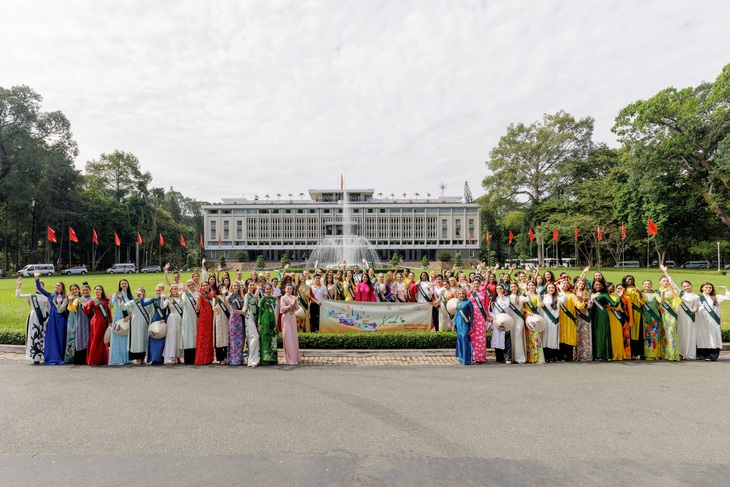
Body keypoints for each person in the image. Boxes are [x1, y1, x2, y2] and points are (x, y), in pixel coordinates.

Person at [34, 270, 68, 365]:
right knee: (52, 337)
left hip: (61, 319)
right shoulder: (50, 295)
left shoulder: (64, 297)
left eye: (59, 286)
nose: (56, 287)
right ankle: (52, 356)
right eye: (56, 285)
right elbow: (40, 289)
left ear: (62, 289)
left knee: (60, 337)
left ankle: (61, 356)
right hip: (52, 318)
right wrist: (37, 278)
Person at [16, 275, 49, 363]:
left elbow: (49, 309)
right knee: (33, 334)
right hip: (34, 317)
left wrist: (48, 318)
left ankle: (43, 355)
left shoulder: (46, 297)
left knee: (42, 335)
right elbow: (18, 295)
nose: (38, 287)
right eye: (36, 285)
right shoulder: (31, 296)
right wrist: (19, 286)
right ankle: (35, 357)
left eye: (40, 285)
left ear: (43, 287)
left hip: (43, 318)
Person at [696, 282, 730, 361]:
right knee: (702, 336)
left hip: (713, 321)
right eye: (706, 287)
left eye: (710, 288)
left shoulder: (716, 297)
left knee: (713, 336)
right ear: (702, 288)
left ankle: (712, 355)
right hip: (702, 321)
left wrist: (726, 289)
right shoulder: (698, 297)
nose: (708, 289)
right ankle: (701, 354)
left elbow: (728, 297)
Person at [120, 287, 153, 365]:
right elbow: (123, 307)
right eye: (138, 291)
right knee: (136, 341)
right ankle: (137, 358)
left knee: (143, 339)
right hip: (135, 323)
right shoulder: (134, 301)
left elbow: (152, 312)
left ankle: (142, 357)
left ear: (144, 292)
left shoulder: (148, 301)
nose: (140, 293)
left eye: (141, 291)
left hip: (144, 322)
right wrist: (121, 299)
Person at [589, 280, 619, 361]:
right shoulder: (590, 293)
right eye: (596, 284)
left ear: (602, 286)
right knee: (594, 335)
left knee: (601, 335)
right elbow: (589, 306)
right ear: (593, 285)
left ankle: (602, 355)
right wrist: (592, 299)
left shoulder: (604, 294)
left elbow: (614, 304)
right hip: (593, 315)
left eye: (599, 284)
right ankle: (595, 355)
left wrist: (619, 297)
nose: (598, 286)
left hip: (602, 316)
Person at [556, 279, 585, 362]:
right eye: (563, 283)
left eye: (567, 284)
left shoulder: (572, 295)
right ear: (559, 285)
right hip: (559, 319)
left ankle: (568, 355)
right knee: (560, 336)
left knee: (569, 336)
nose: (565, 285)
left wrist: (582, 300)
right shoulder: (556, 295)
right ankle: (560, 355)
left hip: (569, 319)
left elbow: (579, 306)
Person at [83, 284, 111, 366]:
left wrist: (110, 321)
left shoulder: (105, 300)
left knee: (104, 340)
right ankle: (93, 360)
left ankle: (102, 358)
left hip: (104, 322)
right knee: (96, 339)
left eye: (100, 289)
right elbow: (88, 312)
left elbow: (108, 311)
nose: (98, 291)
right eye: (97, 289)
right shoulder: (92, 300)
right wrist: (85, 306)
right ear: (94, 291)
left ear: (102, 291)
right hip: (96, 322)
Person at [140, 283, 168, 365]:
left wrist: (165, 319)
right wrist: (141, 296)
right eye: (156, 291)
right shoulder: (154, 299)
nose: (158, 292)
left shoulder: (166, 300)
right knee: (153, 340)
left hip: (161, 321)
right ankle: (153, 359)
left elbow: (169, 312)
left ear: (163, 291)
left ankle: (159, 359)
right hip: (154, 321)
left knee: (161, 341)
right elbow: (143, 304)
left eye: (159, 290)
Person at [67, 283, 92, 365]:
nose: (85, 291)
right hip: (80, 321)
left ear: (90, 291)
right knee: (80, 340)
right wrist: (70, 300)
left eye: (87, 290)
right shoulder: (78, 300)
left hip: (90, 322)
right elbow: (71, 308)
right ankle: (81, 359)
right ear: (81, 291)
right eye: (83, 290)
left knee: (90, 339)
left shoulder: (93, 299)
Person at [109, 279, 132, 365]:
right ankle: (117, 359)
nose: (124, 285)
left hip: (127, 318)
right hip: (118, 317)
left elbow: (134, 308)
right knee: (117, 337)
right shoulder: (117, 294)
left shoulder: (131, 295)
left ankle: (127, 359)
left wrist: (129, 316)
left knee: (126, 338)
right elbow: (111, 306)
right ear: (120, 285)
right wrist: (110, 299)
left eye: (125, 283)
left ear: (128, 284)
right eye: (122, 284)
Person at [622, 275, 644, 360]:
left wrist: (639, 292)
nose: (630, 280)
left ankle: (637, 352)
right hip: (627, 311)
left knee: (637, 332)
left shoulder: (636, 288)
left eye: (631, 279)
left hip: (637, 312)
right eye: (628, 279)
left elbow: (642, 301)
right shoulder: (622, 288)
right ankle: (627, 352)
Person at [468, 274, 489, 363]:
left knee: (480, 336)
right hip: (472, 315)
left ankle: (480, 356)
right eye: (474, 284)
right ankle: (472, 355)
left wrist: (487, 315)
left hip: (481, 315)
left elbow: (485, 304)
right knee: (472, 334)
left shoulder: (483, 293)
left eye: (477, 284)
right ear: (472, 285)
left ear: (480, 284)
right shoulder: (469, 293)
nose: (476, 285)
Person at [676, 279, 699, 360]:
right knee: (680, 333)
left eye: (688, 286)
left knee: (689, 335)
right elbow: (672, 284)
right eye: (684, 286)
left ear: (691, 285)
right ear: (682, 287)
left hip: (689, 317)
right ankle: (679, 352)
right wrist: (666, 272)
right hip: (680, 316)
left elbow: (695, 306)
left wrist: (695, 309)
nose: (686, 287)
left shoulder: (696, 296)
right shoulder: (680, 293)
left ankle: (687, 353)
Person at [640, 280, 663, 361]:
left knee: (655, 336)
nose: (647, 285)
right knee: (647, 336)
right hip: (645, 317)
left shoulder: (654, 294)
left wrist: (662, 295)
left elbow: (660, 301)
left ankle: (655, 354)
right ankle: (647, 354)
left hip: (654, 317)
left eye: (649, 284)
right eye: (645, 284)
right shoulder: (640, 294)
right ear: (642, 285)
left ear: (651, 285)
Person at [507, 282, 529, 364]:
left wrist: (525, 291)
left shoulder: (521, 297)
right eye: (511, 287)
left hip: (519, 319)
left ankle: (520, 357)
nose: (513, 288)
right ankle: (512, 356)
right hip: (510, 319)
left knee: (517, 336)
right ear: (509, 288)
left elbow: (528, 299)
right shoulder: (507, 298)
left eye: (514, 286)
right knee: (511, 337)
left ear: (517, 288)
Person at [280, 283, 301, 365]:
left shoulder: (293, 297)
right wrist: (290, 305)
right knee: (288, 337)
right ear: (285, 289)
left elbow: (297, 308)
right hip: (286, 318)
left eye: (290, 289)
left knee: (293, 337)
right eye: (288, 289)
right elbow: (281, 310)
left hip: (292, 318)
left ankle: (295, 357)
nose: (289, 290)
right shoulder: (283, 298)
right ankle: (289, 358)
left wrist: (296, 302)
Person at [194, 282, 215, 365]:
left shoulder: (211, 295)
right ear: (201, 287)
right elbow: (198, 308)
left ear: (209, 286)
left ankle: (209, 358)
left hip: (210, 317)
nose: (205, 286)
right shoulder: (201, 295)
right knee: (202, 337)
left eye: (207, 285)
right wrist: (199, 300)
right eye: (204, 285)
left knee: (209, 337)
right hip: (203, 317)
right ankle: (201, 358)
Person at [490, 285, 511, 363]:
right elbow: (491, 311)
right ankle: (499, 358)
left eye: (500, 288)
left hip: (505, 321)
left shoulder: (507, 299)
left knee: (506, 339)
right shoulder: (493, 300)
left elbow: (505, 307)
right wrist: (493, 316)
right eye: (497, 289)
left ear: (503, 290)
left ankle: (507, 357)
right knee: (497, 339)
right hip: (497, 322)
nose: (499, 290)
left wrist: (501, 297)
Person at [572, 278, 592, 362]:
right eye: (579, 284)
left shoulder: (587, 293)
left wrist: (591, 300)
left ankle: (585, 355)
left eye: (582, 284)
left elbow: (589, 306)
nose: (581, 285)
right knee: (576, 334)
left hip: (584, 314)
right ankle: (576, 355)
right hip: (575, 314)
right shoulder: (572, 293)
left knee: (585, 334)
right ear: (576, 284)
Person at [540, 282, 561, 363]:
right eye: (549, 288)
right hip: (545, 319)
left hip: (553, 320)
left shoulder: (557, 298)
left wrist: (561, 289)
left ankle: (552, 356)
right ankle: (545, 356)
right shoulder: (543, 297)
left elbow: (565, 299)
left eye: (552, 287)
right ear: (546, 289)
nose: (551, 289)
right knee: (545, 337)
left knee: (552, 338)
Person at [258, 284, 278, 365]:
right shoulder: (263, 299)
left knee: (272, 338)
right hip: (265, 319)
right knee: (265, 338)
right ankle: (265, 359)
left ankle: (272, 359)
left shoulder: (274, 299)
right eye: (267, 289)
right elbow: (260, 312)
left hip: (272, 319)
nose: (268, 290)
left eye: (270, 289)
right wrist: (259, 323)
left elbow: (275, 310)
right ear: (264, 290)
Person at [163, 283, 184, 364]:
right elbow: (162, 306)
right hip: (172, 319)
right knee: (173, 337)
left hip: (180, 318)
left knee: (179, 337)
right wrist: (162, 298)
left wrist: (181, 296)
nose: (174, 290)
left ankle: (179, 356)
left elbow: (182, 305)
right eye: (172, 289)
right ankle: (173, 356)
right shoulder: (168, 299)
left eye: (176, 289)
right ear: (170, 290)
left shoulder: (180, 298)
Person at [180, 280, 199, 364]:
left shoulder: (198, 294)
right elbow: (182, 304)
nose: (191, 286)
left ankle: (194, 357)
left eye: (192, 284)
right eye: (189, 285)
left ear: (194, 285)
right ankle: (187, 358)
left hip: (195, 317)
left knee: (195, 335)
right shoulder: (185, 294)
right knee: (188, 335)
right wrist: (180, 296)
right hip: (187, 317)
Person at [226, 280, 245, 366]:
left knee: (240, 338)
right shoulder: (230, 297)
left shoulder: (241, 297)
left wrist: (242, 312)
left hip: (240, 319)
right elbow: (228, 302)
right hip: (233, 319)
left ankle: (240, 358)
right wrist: (224, 294)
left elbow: (243, 308)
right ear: (232, 287)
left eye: (237, 286)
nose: (236, 287)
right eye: (234, 286)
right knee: (233, 338)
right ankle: (233, 359)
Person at [453, 288, 473, 365]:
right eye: (460, 293)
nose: (461, 295)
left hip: (465, 323)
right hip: (458, 323)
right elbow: (456, 314)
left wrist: (471, 325)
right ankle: (461, 357)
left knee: (465, 339)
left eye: (463, 293)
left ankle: (466, 359)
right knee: (460, 340)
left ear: (465, 294)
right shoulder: (458, 303)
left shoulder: (468, 302)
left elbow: (472, 315)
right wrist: (454, 324)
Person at [243, 281, 260, 367]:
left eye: (253, 285)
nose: (252, 286)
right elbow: (245, 306)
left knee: (251, 339)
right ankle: (252, 360)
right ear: (247, 286)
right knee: (256, 336)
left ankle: (252, 361)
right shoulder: (247, 295)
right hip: (249, 318)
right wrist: (241, 311)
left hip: (255, 319)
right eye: (250, 285)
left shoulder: (254, 296)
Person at [212, 285, 230, 364]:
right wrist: (216, 298)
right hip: (218, 319)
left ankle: (227, 356)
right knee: (219, 338)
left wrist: (224, 295)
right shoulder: (215, 297)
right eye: (220, 288)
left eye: (223, 288)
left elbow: (226, 306)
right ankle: (220, 357)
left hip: (226, 319)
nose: (221, 289)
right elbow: (214, 307)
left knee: (226, 338)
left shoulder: (228, 297)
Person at [63, 283, 80, 363]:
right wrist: (58, 303)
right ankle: (70, 357)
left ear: (78, 290)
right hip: (71, 319)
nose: (74, 291)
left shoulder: (81, 298)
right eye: (72, 289)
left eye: (75, 289)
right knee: (70, 338)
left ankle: (79, 357)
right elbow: (60, 310)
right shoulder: (68, 298)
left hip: (80, 318)